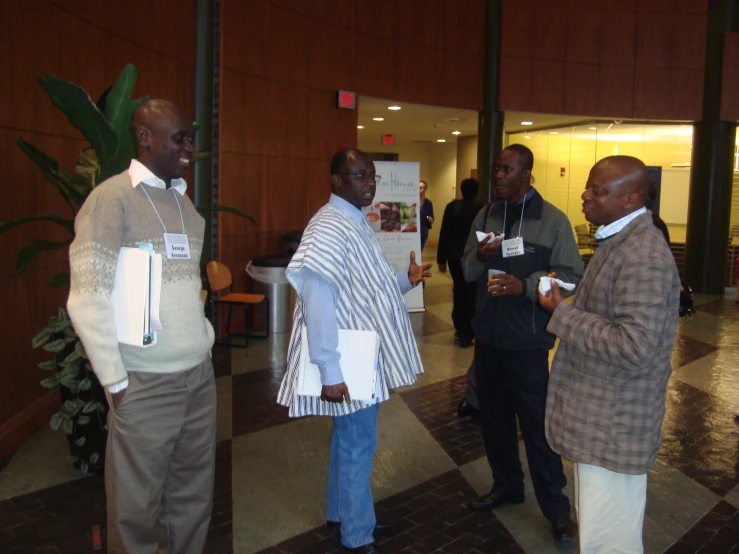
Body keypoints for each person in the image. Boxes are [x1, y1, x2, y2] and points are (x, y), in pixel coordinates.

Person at [67, 99, 217, 553]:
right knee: (135, 512)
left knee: (192, 500)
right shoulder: (111, 199)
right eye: (179, 138)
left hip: (198, 378)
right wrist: (114, 380)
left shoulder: (185, 207)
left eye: (190, 138)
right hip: (145, 384)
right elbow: (87, 296)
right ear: (145, 137)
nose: (189, 146)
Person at [277, 148, 430, 553]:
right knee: (358, 443)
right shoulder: (329, 227)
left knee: (349, 438)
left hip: (360, 354)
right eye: (359, 175)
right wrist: (330, 371)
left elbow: (366, 288)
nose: (369, 183)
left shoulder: (354, 221)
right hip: (349, 360)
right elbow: (319, 301)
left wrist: (405, 280)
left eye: (372, 175)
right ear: (337, 181)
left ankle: (343, 513)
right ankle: (357, 534)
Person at [538, 155, 680, 554]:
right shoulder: (618, 240)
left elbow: (634, 345)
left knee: (609, 540)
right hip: (600, 423)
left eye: (598, 191)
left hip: (615, 425)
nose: (585, 196)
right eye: (589, 186)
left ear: (631, 198)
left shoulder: (643, 255)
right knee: (599, 531)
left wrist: (561, 313)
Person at [462, 144, 582, 544]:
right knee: (494, 421)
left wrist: (525, 286)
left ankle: (556, 509)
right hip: (490, 340)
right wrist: (480, 254)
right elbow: (466, 269)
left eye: (507, 170)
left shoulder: (553, 222)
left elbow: (569, 278)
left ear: (526, 174)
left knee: (536, 428)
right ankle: (507, 486)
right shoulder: (486, 214)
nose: (498, 175)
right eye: (497, 168)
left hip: (528, 344)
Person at [437, 178, 486, 348]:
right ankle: (470, 329)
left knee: (458, 290)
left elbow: (445, 233)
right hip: (474, 257)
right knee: (472, 293)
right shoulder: (483, 208)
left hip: (455, 256)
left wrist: (441, 259)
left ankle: (460, 327)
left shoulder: (453, 207)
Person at [419, 180, 434, 251]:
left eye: (424, 188)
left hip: (424, 230)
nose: (422, 190)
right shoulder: (412, 201)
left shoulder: (428, 203)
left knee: (420, 250)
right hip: (413, 229)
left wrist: (431, 219)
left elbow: (431, 216)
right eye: (420, 188)